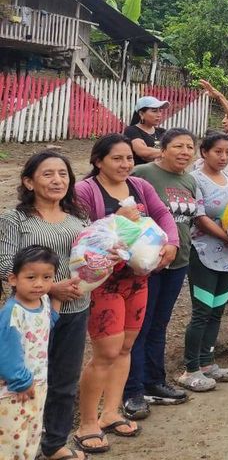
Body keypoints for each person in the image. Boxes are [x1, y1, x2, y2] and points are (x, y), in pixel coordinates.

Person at [73, 135, 178, 450]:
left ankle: (110, 413)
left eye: (129, 158)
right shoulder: (85, 191)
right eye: (117, 158)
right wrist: (116, 221)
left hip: (137, 279)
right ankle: (87, 423)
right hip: (104, 283)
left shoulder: (139, 186)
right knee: (105, 352)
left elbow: (163, 214)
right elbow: (81, 235)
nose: (125, 164)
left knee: (125, 348)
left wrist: (172, 243)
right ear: (98, 161)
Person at [0, 151, 89, 460]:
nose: (57, 180)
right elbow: (5, 266)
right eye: (47, 174)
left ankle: (54, 444)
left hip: (76, 308)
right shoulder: (16, 220)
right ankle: (21, 445)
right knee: (24, 379)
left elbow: (91, 255)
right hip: (30, 315)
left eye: (63, 174)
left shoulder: (79, 219)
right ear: (29, 181)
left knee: (64, 381)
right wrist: (52, 288)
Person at [123, 129, 200, 417]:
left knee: (159, 325)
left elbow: (189, 221)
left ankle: (154, 382)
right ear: (162, 149)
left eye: (189, 147)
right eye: (178, 146)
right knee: (139, 328)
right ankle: (132, 390)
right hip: (148, 265)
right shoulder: (142, 173)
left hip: (178, 262)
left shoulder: (189, 180)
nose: (185, 152)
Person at [180, 132, 228, 391]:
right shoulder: (195, 180)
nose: (223, 157)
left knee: (217, 312)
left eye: (227, 152)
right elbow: (200, 218)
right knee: (201, 312)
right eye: (217, 151)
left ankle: (207, 363)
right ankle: (190, 369)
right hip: (203, 255)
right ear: (204, 152)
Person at [0, 245, 59, 460]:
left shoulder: (44, 301)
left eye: (46, 277)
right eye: (31, 277)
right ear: (13, 279)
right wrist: (21, 381)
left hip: (38, 384)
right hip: (14, 390)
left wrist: (58, 301)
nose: (39, 284)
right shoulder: (12, 313)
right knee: (10, 443)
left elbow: (45, 325)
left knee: (31, 437)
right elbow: (6, 352)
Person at [124, 96, 168, 165]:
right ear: (141, 114)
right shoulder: (132, 130)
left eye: (160, 111)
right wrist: (168, 153)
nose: (159, 115)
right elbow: (143, 152)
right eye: (154, 111)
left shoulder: (162, 132)